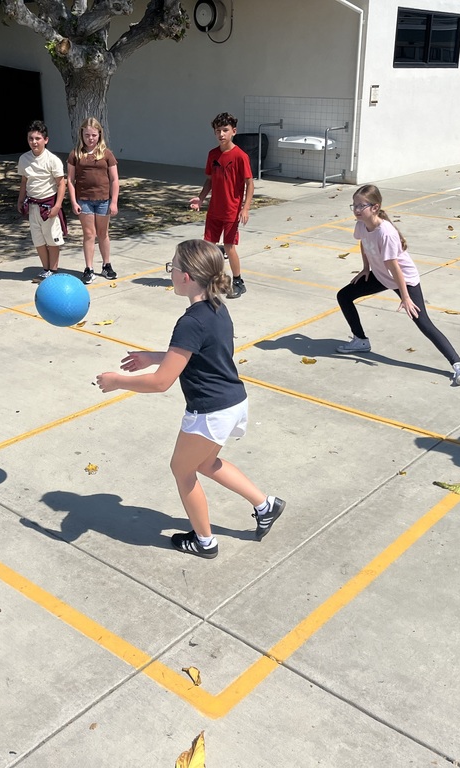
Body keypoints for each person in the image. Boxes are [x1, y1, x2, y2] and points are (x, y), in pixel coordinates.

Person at [96, 239, 285, 559]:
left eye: (173, 267)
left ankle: (204, 541)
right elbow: (201, 355)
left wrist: (118, 381)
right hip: (232, 401)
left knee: (183, 469)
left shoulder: (190, 322)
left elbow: (161, 383)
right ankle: (266, 505)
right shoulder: (216, 308)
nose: (169, 273)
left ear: (186, 277)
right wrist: (154, 356)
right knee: (205, 463)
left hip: (210, 410)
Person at [336, 184, 460, 386]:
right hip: (380, 275)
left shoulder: (386, 233)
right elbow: (363, 243)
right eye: (354, 205)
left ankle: (459, 365)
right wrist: (365, 268)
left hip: (404, 280)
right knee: (344, 296)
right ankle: (360, 341)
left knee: (422, 321)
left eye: (361, 206)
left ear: (375, 207)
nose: (357, 210)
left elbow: (395, 269)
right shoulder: (361, 224)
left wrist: (406, 297)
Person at [188, 112, 253, 299]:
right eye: (218, 131)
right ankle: (209, 280)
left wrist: (245, 207)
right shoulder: (212, 154)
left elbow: (250, 184)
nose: (221, 134)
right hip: (214, 210)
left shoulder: (240, 156)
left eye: (225, 130)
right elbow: (209, 180)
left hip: (231, 211)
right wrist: (200, 198)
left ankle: (238, 281)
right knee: (209, 246)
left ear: (234, 131)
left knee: (229, 246)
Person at [67, 117, 119, 284]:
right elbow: (70, 179)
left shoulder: (106, 154)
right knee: (89, 234)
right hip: (84, 200)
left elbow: (114, 179)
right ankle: (89, 268)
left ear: (99, 135)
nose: (90, 138)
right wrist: (74, 201)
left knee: (103, 234)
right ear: (81, 134)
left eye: (94, 135)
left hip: (103, 200)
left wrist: (114, 202)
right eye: (87, 135)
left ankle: (106, 264)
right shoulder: (75, 154)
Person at [16, 120, 66, 282]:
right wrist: (20, 200)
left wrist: (57, 206)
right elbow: (25, 181)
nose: (34, 142)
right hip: (32, 205)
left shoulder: (52, 160)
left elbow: (61, 183)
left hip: (49, 205)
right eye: (31, 138)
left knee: (51, 239)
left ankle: (53, 270)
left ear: (46, 140)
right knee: (38, 239)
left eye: (38, 138)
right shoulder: (24, 159)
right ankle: (45, 269)